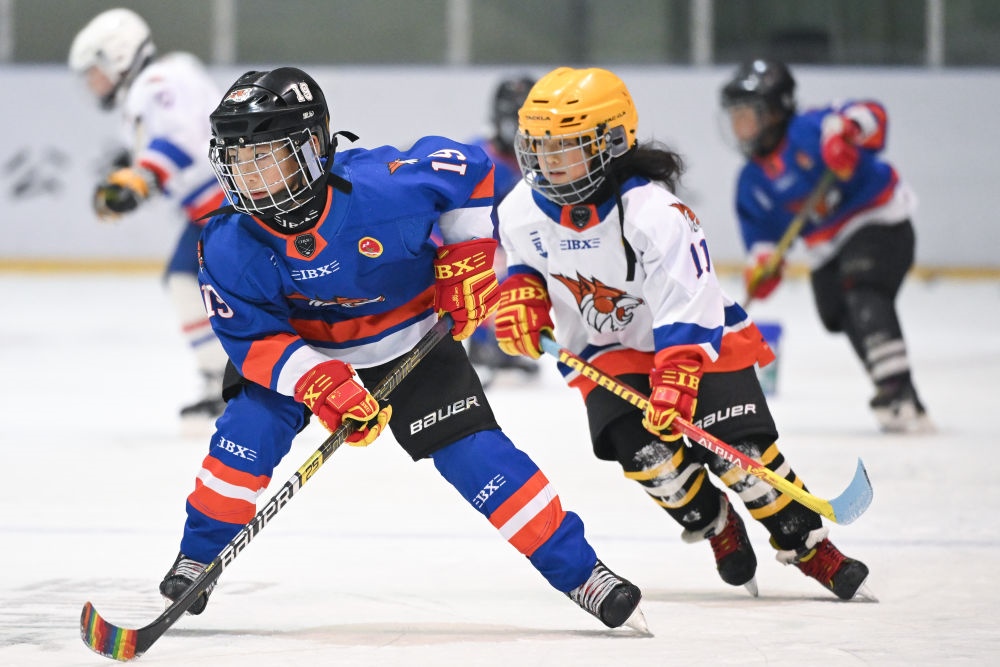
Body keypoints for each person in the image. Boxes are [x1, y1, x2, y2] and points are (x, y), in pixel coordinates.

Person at [156, 66, 645, 631]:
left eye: (266, 157)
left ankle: (582, 573)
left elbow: (470, 169)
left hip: (410, 337)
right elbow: (252, 337)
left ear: (313, 146)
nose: (251, 176)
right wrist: (318, 380)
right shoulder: (228, 241)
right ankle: (198, 557)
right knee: (246, 436)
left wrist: (467, 252)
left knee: (476, 456)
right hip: (305, 351)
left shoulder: (384, 187)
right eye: (239, 160)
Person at [494, 66, 872, 601]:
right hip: (607, 349)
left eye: (566, 146)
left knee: (740, 453)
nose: (548, 160)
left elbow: (688, 299)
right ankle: (714, 521)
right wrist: (522, 297)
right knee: (651, 460)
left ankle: (809, 546)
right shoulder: (518, 210)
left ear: (611, 143)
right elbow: (525, 265)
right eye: (540, 145)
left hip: (698, 344)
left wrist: (675, 377)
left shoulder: (655, 213)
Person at [719, 59, 930, 433]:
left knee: (861, 288)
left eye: (747, 115)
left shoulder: (812, 128)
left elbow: (873, 114)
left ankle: (897, 392)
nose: (740, 126)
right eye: (735, 117)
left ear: (775, 110)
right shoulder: (751, 180)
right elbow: (762, 236)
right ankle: (896, 388)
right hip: (827, 247)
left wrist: (847, 132)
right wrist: (763, 265)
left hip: (878, 219)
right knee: (834, 310)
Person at [68, 8, 229, 425]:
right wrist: (135, 169)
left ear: (117, 56)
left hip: (225, 204)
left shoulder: (156, 82)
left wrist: (141, 178)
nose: (93, 82)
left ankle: (227, 378)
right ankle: (225, 377)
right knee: (189, 280)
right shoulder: (162, 80)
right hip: (219, 204)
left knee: (186, 279)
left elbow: (182, 138)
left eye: (95, 70)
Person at [459, 76, 541, 384]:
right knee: (497, 271)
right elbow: (446, 216)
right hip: (468, 245)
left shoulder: (537, 162)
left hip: (504, 245)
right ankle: (485, 345)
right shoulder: (478, 159)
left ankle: (503, 343)